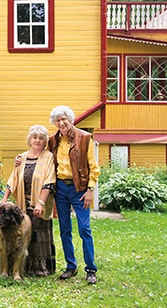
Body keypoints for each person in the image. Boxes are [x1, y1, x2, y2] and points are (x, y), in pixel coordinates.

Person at [48, 105, 100, 284]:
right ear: (55, 123)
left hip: (80, 189)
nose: (61, 123)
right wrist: (20, 159)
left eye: (64, 119)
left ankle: (91, 269)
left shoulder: (84, 138)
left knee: (84, 229)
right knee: (65, 229)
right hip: (60, 188)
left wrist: (90, 190)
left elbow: (94, 167)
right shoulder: (52, 140)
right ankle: (71, 266)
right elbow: (42, 158)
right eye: (58, 120)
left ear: (71, 119)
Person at [0, 124, 57, 276]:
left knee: (38, 235)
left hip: (39, 203)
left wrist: (41, 203)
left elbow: (49, 182)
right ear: (29, 140)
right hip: (22, 204)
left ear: (45, 142)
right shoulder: (21, 158)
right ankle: (20, 267)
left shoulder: (48, 157)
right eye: (34, 137)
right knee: (23, 236)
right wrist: (4, 198)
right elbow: (13, 179)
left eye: (41, 138)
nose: (37, 141)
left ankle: (40, 268)